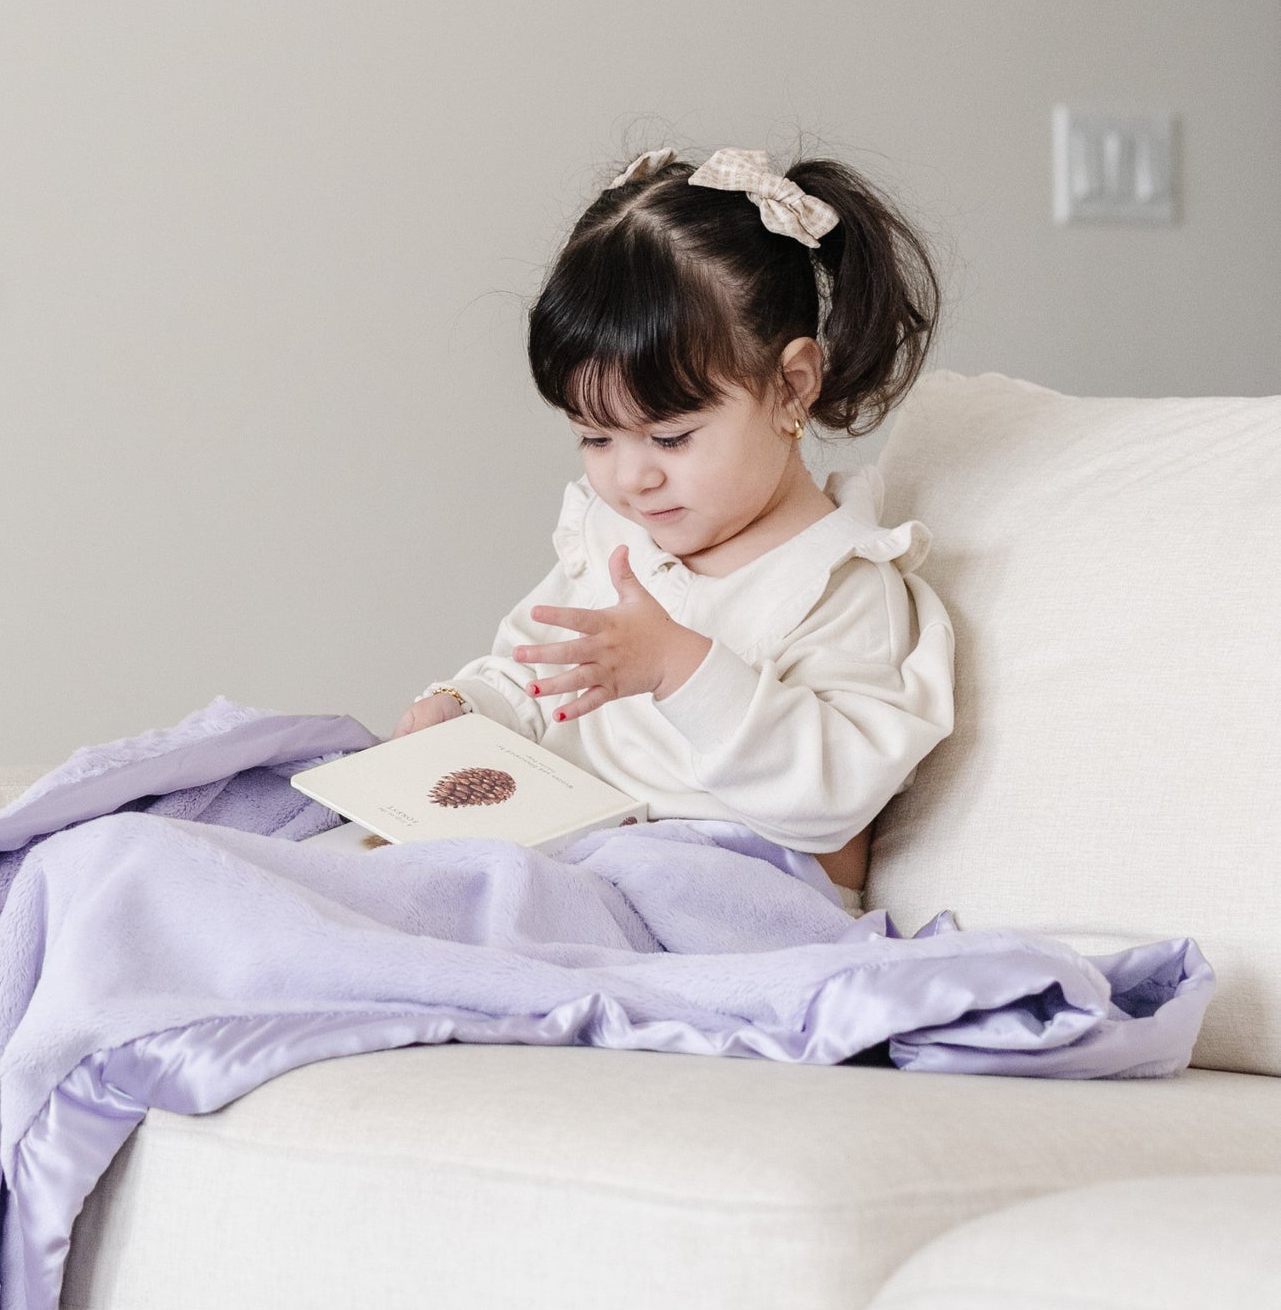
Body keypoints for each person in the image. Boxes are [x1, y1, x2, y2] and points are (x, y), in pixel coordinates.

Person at [394, 147, 953, 898]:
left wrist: (679, 668)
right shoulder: (618, 538)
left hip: (727, 898)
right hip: (576, 861)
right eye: (595, 437)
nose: (632, 476)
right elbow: (536, 674)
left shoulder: (837, 582)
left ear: (791, 387)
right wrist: (467, 707)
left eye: (670, 438)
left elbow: (831, 807)